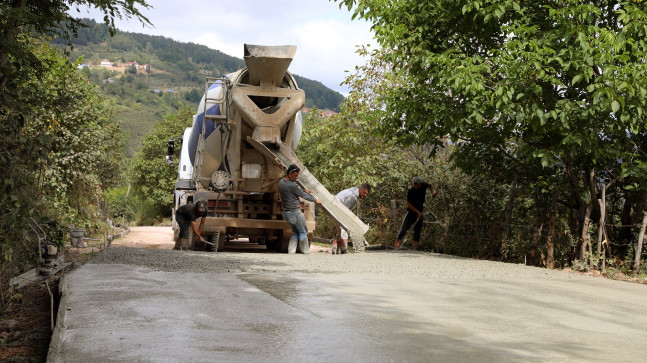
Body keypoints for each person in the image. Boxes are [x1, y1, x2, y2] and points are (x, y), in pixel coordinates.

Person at [278, 164, 322, 254]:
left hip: (287, 213)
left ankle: (291, 252)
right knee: (303, 232)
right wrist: (315, 200)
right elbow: (303, 195)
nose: (296, 177)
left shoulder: (281, 182)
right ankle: (305, 252)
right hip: (295, 213)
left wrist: (303, 190)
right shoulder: (292, 186)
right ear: (289, 174)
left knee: (295, 232)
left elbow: (293, 191)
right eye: (295, 175)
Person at [395, 176, 437, 250]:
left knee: (417, 231)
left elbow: (430, 185)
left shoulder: (423, 186)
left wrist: (433, 192)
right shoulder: (411, 191)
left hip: (420, 212)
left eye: (417, 184)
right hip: (411, 212)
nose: (415, 185)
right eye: (414, 184)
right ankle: (397, 245)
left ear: (420, 183)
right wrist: (417, 212)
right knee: (404, 229)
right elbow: (409, 204)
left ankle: (415, 247)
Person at [332, 183, 371, 254]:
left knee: (339, 231)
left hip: (335, 207)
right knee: (344, 229)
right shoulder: (353, 197)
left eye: (366, 194)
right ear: (361, 189)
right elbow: (344, 209)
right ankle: (344, 249)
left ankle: (335, 249)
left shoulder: (354, 190)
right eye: (364, 192)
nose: (365, 195)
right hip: (338, 208)